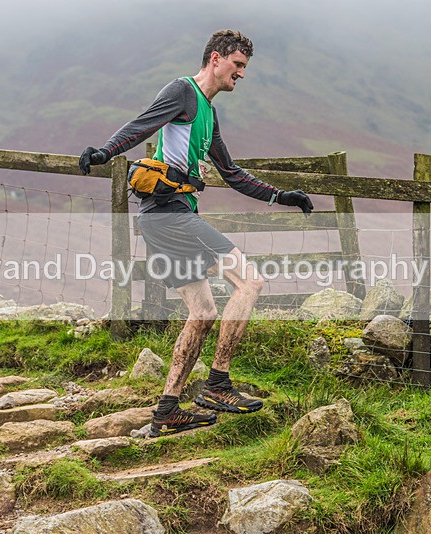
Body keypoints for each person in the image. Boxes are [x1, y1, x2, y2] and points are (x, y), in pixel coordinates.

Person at [79, 29, 313, 437]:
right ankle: (218, 384)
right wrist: (104, 152)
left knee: (202, 313)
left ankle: (167, 409)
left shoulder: (208, 112)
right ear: (216, 59)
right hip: (170, 216)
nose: (241, 74)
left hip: (166, 217)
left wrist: (282, 197)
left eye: (244, 67)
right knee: (250, 280)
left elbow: (232, 173)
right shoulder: (183, 91)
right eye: (238, 65)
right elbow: (140, 126)